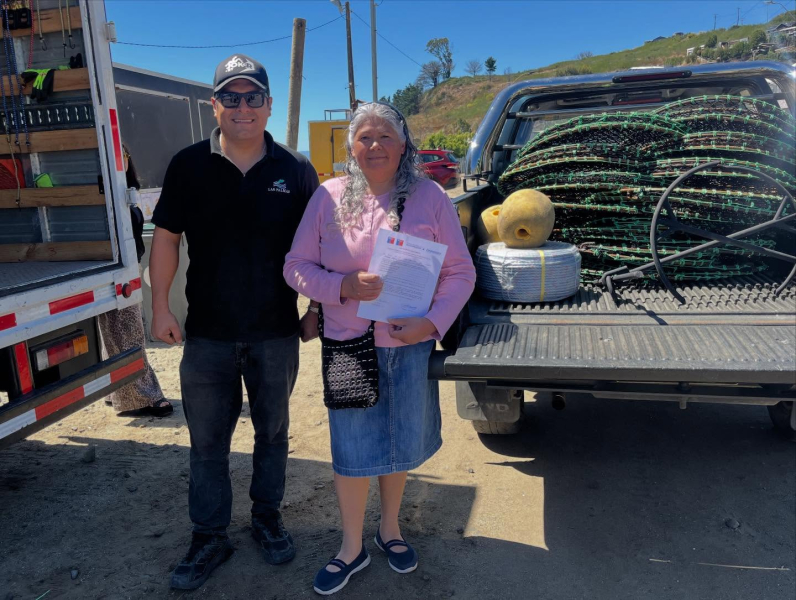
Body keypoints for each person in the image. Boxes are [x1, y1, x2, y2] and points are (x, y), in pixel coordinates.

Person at [283, 102, 475, 595]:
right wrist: (341, 287)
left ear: (404, 145)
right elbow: (295, 266)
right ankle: (351, 547)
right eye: (364, 137)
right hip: (349, 345)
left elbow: (460, 272)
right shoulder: (328, 196)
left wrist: (431, 322)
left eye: (385, 136)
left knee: (398, 442)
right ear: (351, 146)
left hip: (408, 346)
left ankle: (390, 530)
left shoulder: (431, 197)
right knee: (351, 448)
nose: (375, 145)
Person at [149, 54, 320, 591]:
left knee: (273, 434)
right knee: (206, 444)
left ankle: (267, 519)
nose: (242, 107)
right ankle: (209, 536)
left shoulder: (296, 169)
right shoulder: (187, 165)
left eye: (252, 98)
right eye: (230, 97)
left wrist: (316, 307)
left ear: (268, 105)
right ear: (214, 105)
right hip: (207, 335)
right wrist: (160, 306)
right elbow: (167, 238)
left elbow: (322, 245)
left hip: (275, 332)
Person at [98, 144, 172, 417]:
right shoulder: (104, 192)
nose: (122, 160)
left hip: (130, 267)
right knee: (129, 332)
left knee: (117, 331)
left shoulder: (126, 191)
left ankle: (116, 392)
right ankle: (145, 396)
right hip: (115, 271)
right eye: (115, 156)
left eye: (124, 155)